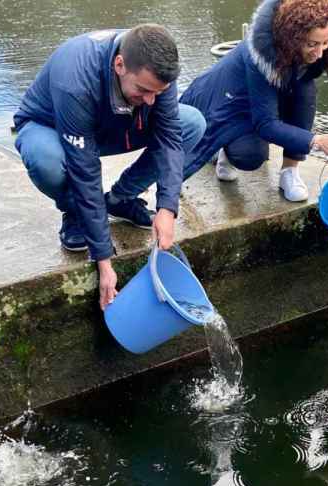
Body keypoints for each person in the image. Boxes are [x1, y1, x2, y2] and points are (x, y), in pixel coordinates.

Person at [13, 25, 206, 309]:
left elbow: (169, 139)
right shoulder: (75, 80)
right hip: (52, 127)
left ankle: (120, 198)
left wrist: (167, 208)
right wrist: (103, 260)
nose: (152, 99)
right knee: (48, 162)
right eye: (144, 90)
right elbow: (85, 171)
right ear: (119, 65)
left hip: (114, 123)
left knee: (192, 124)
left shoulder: (156, 68)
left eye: (158, 92)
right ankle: (74, 213)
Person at [181, 0, 328, 202]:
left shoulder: (327, 42)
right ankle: (227, 150)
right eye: (312, 44)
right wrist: (317, 141)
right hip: (238, 101)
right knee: (250, 157)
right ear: (292, 37)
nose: (320, 53)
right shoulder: (261, 52)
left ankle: (290, 171)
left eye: (326, 42)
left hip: (276, 92)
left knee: (306, 88)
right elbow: (265, 124)